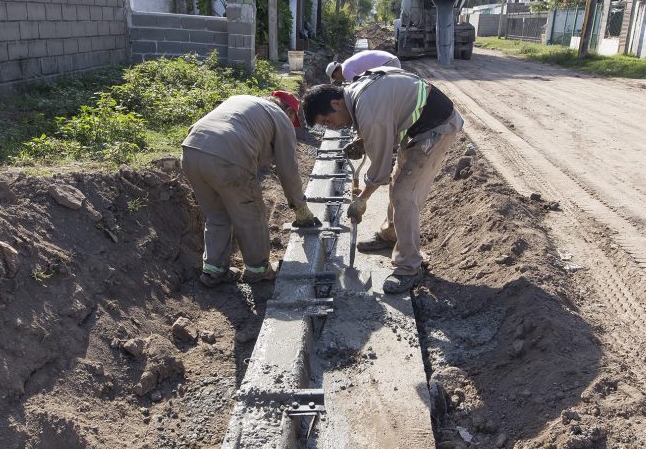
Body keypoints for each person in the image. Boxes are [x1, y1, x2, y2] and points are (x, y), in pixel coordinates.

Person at [301, 69, 463, 294]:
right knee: (398, 183)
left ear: (336, 104)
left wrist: (362, 198)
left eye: (328, 121)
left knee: (404, 194)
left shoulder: (370, 114)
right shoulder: (355, 93)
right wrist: (363, 139)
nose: (333, 127)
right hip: (416, 128)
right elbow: (385, 116)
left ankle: (409, 267)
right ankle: (390, 236)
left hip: (436, 128)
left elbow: (380, 168)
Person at [182, 91, 320, 288]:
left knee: (216, 215)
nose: (292, 125)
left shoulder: (241, 101)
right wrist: (299, 207)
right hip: (228, 156)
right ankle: (258, 269)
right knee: (251, 214)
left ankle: (214, 270)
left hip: (191, 152)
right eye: (293, 120)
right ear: (290, 112)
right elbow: (288, 170)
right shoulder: (280, 118)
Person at [326, 49, 401, 84]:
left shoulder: (345, 71)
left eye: (336, 79)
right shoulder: (347, 64)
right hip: (392, 61)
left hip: (389, 64)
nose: (339, 81)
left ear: (335, 75)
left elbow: (360, 84)